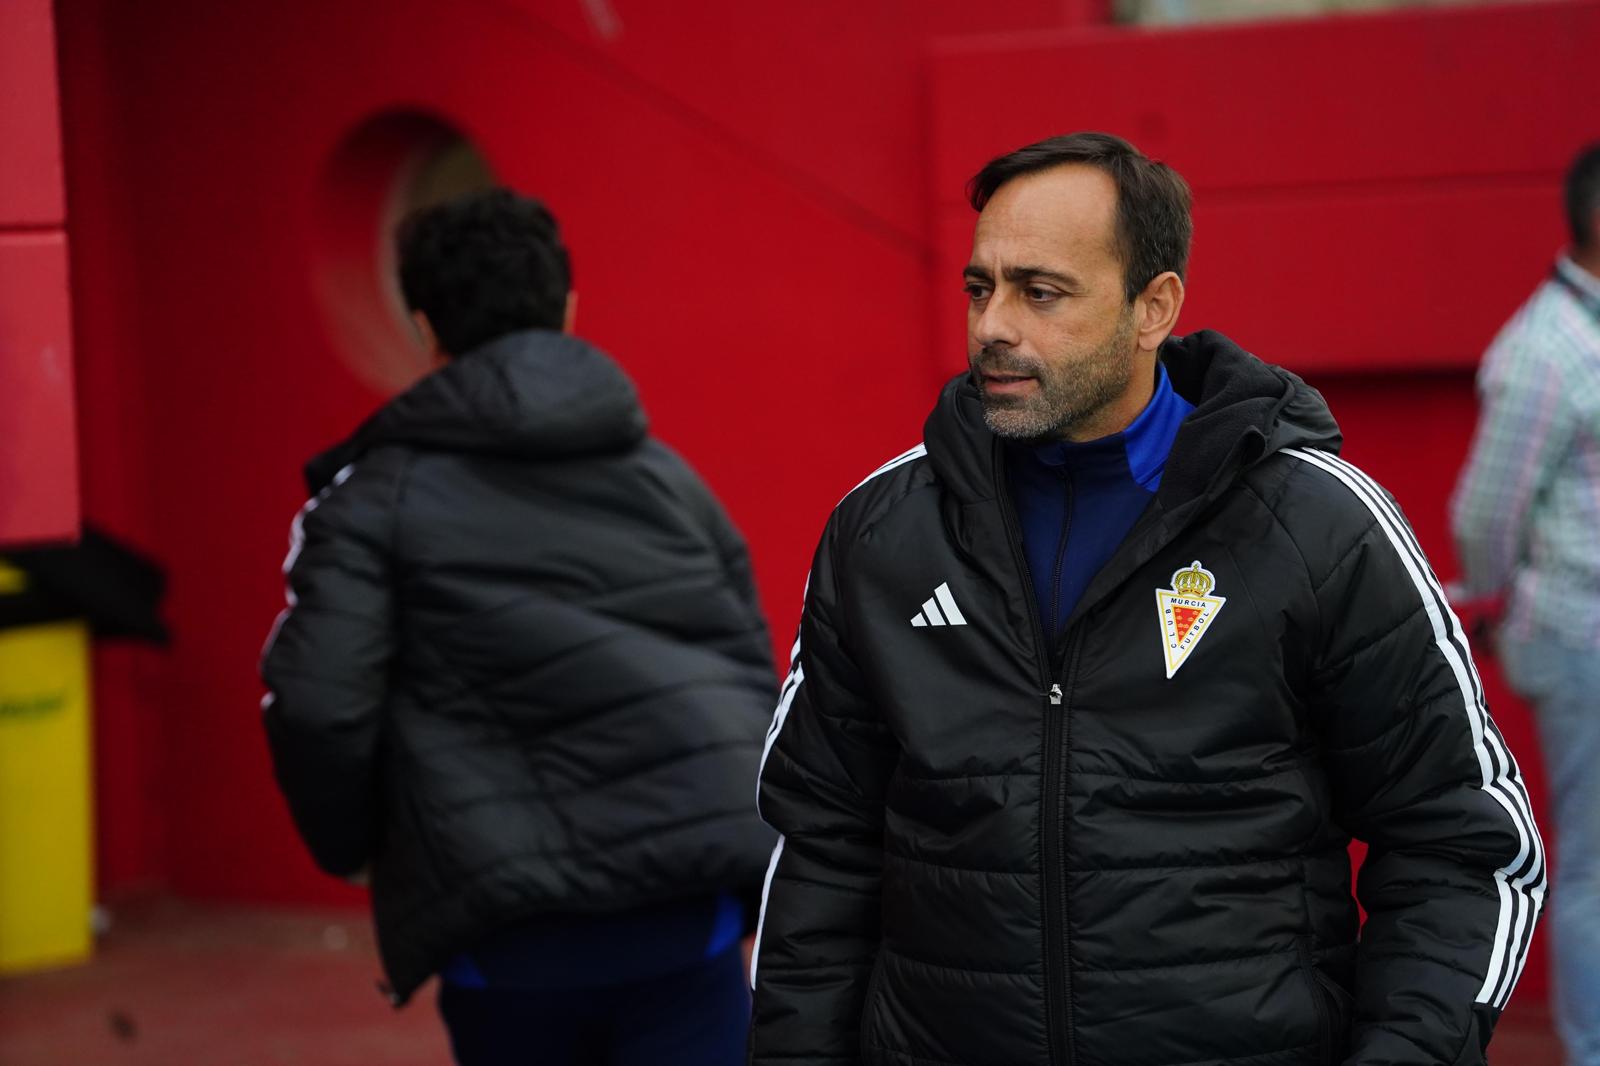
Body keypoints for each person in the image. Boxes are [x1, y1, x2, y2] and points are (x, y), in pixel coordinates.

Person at [748, 132, 1544, 1066]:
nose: (992, 325)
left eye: (1040, 292)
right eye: (981, 287)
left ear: (1153, 307)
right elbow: (822, 857)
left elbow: (1462, 842)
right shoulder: (882, 533)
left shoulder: (1317, 525)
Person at [259, 188, 776, 1065]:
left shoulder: (368, 501)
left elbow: (314, 702)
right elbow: (751, 667)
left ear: (425, 328)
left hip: (508, 944)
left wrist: (358, 851)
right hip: (689, 928)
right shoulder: (672, 482)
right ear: (570, 307)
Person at [1451, 142, 1600, 1066]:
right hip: (1583, 636)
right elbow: (1486, 510)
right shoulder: (1544, 349)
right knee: (1592, 867)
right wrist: (1486, 600)